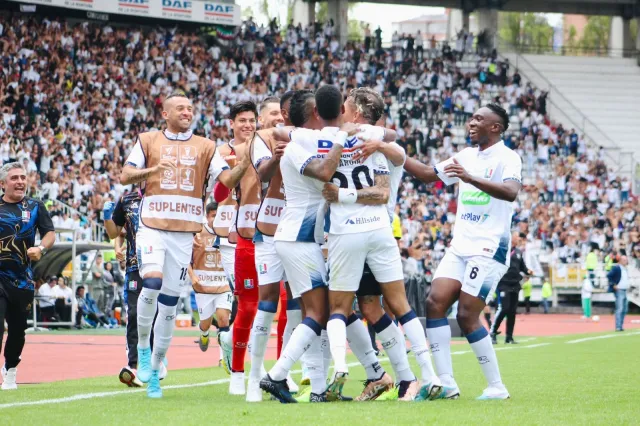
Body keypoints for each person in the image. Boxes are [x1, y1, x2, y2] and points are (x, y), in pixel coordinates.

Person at [120, 90, 250, 399]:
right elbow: (125, 175)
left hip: (183, 234)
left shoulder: (205, 146)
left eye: (190, 108)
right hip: (152, 226)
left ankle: (156, 366)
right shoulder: (148, 140)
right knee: (150, 282)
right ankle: (142, 349)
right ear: (165, 114)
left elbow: (229, 181)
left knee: (168, 304)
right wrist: (152, 171)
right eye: (180, 108)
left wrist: (245, 163)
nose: (187, 112)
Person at [403, 103, 522, 400]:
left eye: (479, 119)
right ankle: (446, 384)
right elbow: (429, 175)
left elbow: (510, 192)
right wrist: (395, 153)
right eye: (472, 117)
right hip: (460, 247)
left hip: (489, 247)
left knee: (468, 314)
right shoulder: (466, 155)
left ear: (495, 127)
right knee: (434, 302)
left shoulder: (509, 157)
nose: (472, 122)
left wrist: (469, 178)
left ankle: (497, 386)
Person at [260, 88, 361, 403]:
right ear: (314, 112)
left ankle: (318, 390)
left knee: (315, 313)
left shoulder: (301, 139)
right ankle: (276, 377)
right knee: (319, 313)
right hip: (297, 239)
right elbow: (323, 170)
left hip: (305, 239)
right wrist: (343, 138)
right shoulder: (296, 145)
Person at [340, 87, 441, 401]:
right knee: (371, 306)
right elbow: (397, 149)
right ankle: (408, 378)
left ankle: (422, 376)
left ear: (356, 111)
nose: (341, 110)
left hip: (363, 232)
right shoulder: (378, 141)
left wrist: (381, 141)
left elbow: (396, 151)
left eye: (345, 105)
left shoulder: (375, 142)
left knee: (379, 305)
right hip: (378, 231)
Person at [247, 96, 306, 401]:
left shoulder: (308, 136)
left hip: (299, 230)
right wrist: (277, 157)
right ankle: (254, 377)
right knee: (267, 302)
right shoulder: (261, 139)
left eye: (277, 114)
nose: (275, 119)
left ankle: (282, 372)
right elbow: (262, 174)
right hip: (269, 229)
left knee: (297, 302)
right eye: (271, 114)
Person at [0, 162, 56, 390]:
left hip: (22, 280)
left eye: (23, 177)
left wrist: (40, 249)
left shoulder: (35, 206)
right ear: (3, 184)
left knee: (17, 331)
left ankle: (10, 369)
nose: (20, 182)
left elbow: (50, 233)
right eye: (14, 178)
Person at [104, 188, 166, 388]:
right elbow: (116, 232)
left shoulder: (164, 196)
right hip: (133, 266)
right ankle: (134, 366)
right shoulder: (127, 199)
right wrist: (107, 218)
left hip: (158, 265)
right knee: (133, 314)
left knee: (155, 314)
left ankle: (157, 360)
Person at [190, 202, 233, 358]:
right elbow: (185, 258)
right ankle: (204, 333)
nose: (216, 219)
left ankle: (225, 357)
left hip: (223, 284)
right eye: (213, 216)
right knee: (205, 323)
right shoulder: (197, 233)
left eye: (219, 216)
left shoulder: (228, 231)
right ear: (207, 217)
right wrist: (192, 276)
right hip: (203, 286)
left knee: (223, 319)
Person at [490, 232, 532, 344]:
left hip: (515, 285)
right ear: (511, 238)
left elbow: (522, 267)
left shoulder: (519, 252)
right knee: (504, 308)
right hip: (503, 283)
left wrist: (528, 271)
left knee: (512, 312)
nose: (519, 239)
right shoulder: (502, 250)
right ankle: (492, 332)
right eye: (517, 236)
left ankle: (509, 337)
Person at [607, 256, 629, 331]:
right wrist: (613, 284)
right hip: (619, 290)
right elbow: (609, 275)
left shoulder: (625, 269)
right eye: (624, 260)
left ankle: (621, 325)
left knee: (625, 309)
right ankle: (618, 326)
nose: (625, 261)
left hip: (625, 290)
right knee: (620, 308)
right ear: (620, 261)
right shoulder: (617, 268)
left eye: (626, 260)